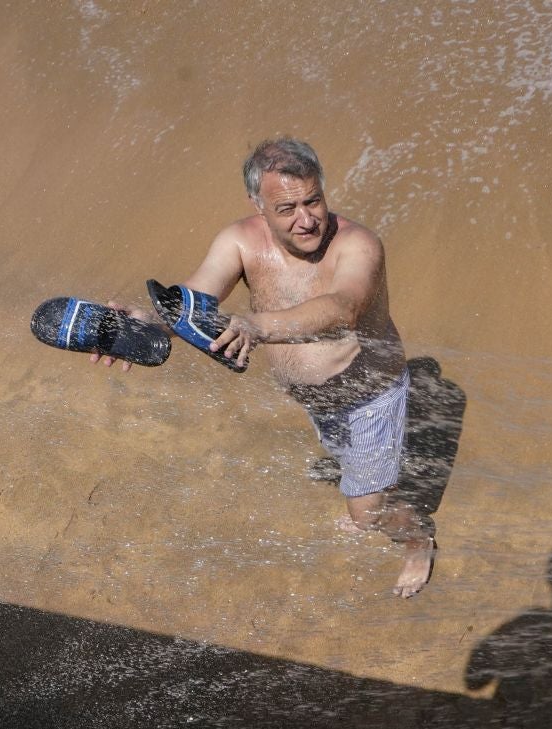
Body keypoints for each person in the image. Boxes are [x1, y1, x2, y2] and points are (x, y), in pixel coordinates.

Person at [92, 137, 435, 598]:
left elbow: (343, 307)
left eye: (313, 201)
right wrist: (140, 326)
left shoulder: (358, 244)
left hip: (369, 395)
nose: (306, 219)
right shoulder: (239, 240)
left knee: (366, 511)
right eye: (287, 208)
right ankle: (365, 485)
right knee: (350, 467)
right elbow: (195, 299)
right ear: (258, 204)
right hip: (316, 400)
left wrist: (255, 326)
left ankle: (418, 540)